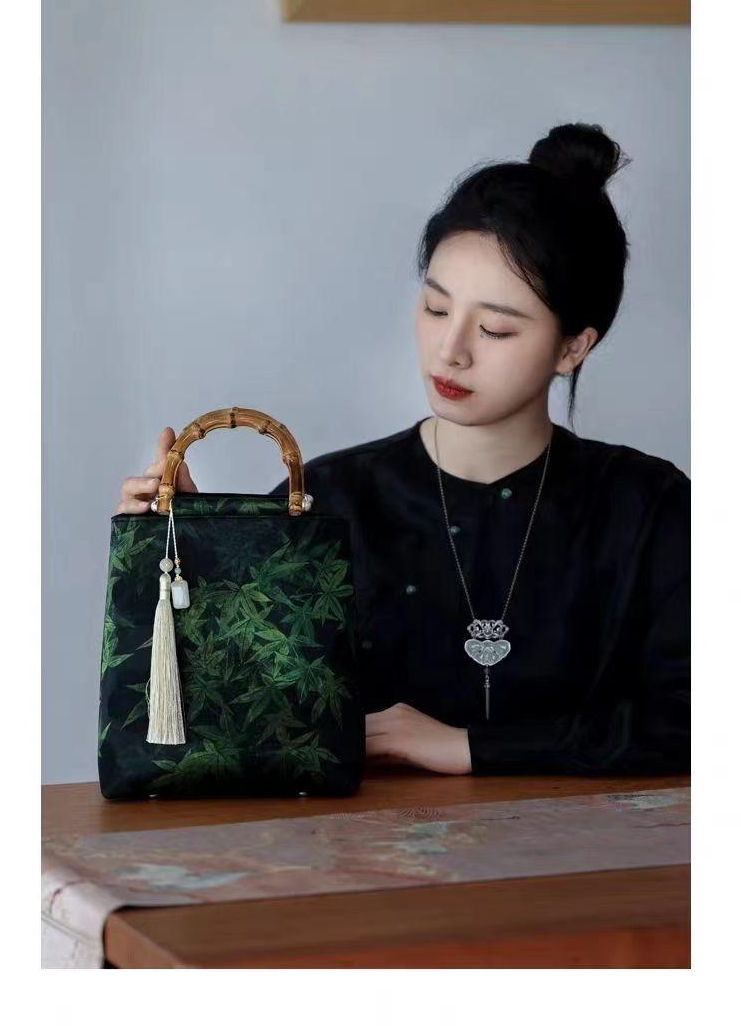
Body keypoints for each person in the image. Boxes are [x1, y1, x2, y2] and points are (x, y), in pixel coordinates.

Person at [117, 122, 690, 778]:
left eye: (495, 329)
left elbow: (691, 717)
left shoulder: (649, 508)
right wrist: (192, 560)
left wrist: (467, 748)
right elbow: (240, 715)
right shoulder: (330, 502)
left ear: (572, 347)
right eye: (437, 309)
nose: (451, 350)